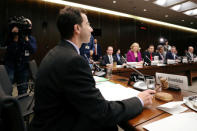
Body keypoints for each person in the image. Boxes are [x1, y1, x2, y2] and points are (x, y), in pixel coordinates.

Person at [30, 7, 155, 131]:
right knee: (109, 125)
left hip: (52, 119)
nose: (91, 28)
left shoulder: (57, 52)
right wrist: (139, 100)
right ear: (77, 28)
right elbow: (103, 113)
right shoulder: (73, 60)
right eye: (88, 24)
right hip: (58, 125)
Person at [4, 18, 37, 95]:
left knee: (23, 89)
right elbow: (10, 51)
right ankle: (8, 105)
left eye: (29, 26)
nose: (27, 28)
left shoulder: (31, 38)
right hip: (10, 65)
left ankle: (22, 104)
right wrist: (15, 37)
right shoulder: (11, 37)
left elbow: (33, 50)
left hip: (23, 67)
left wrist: (26, 39)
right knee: (7, 88)